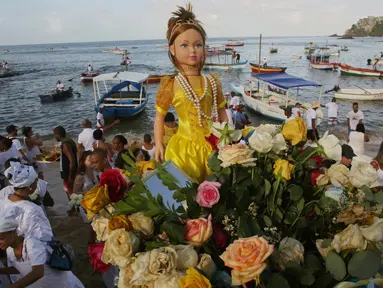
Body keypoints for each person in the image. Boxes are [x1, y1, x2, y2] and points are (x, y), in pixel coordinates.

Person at [154, 4, 227, 182]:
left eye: (198, 45)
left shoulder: (212, 81)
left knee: (215, 191)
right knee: (186, 193)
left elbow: (222, 113)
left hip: (212, 145)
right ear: (173, 49)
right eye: (184, 45)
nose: (192, 50)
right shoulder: (171, 84)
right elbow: (159, 117)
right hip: (183, 149)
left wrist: (226, 136)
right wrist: (158, 144)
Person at [0, 218, 84, 287]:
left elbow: (38, 272)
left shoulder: (31, 243)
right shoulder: (10, 249)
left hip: (60, 284)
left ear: (13, 232)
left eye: (1, 238)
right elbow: (20, 269)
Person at [0, 162, 53, 242]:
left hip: (10, 250)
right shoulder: (32, 209)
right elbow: (43, 237)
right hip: (30, 251)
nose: (37, 183)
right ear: (30, 187)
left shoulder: (4, 201)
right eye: (36, 181)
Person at [53, 126, 78, 198]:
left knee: (69, 192)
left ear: (58, 134)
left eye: (55, 134)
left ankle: (73, 207)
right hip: (68, 171)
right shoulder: (69, 141)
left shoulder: (65, 145)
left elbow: (72, 161)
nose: (54, 136)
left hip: (68, 172)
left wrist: (70, 177)